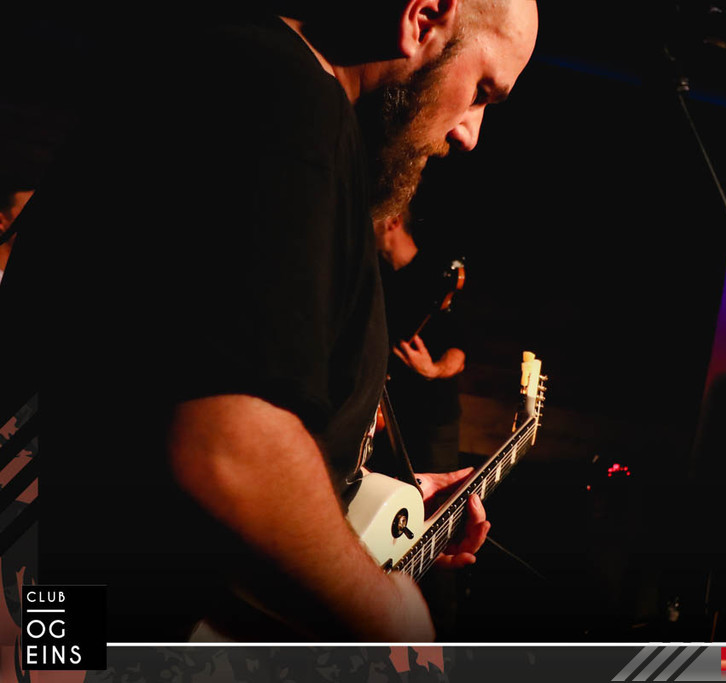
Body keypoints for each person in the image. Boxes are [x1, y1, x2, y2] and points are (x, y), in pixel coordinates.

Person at [0, 0, 538, 643]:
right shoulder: (289, 106)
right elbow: (226, 460)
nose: (471, 132)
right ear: (423, 18)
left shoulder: (252, 78)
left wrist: (348, 506)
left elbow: (150, 399)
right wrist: (386, 616)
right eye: (481, 91)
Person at [376, 209, 466, 475]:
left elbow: (459, 351)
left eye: (373, 217)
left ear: (393, 222)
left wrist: (432, 369)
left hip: (432, 424)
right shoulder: (376, 274)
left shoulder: (436, 274)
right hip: (386, 419)